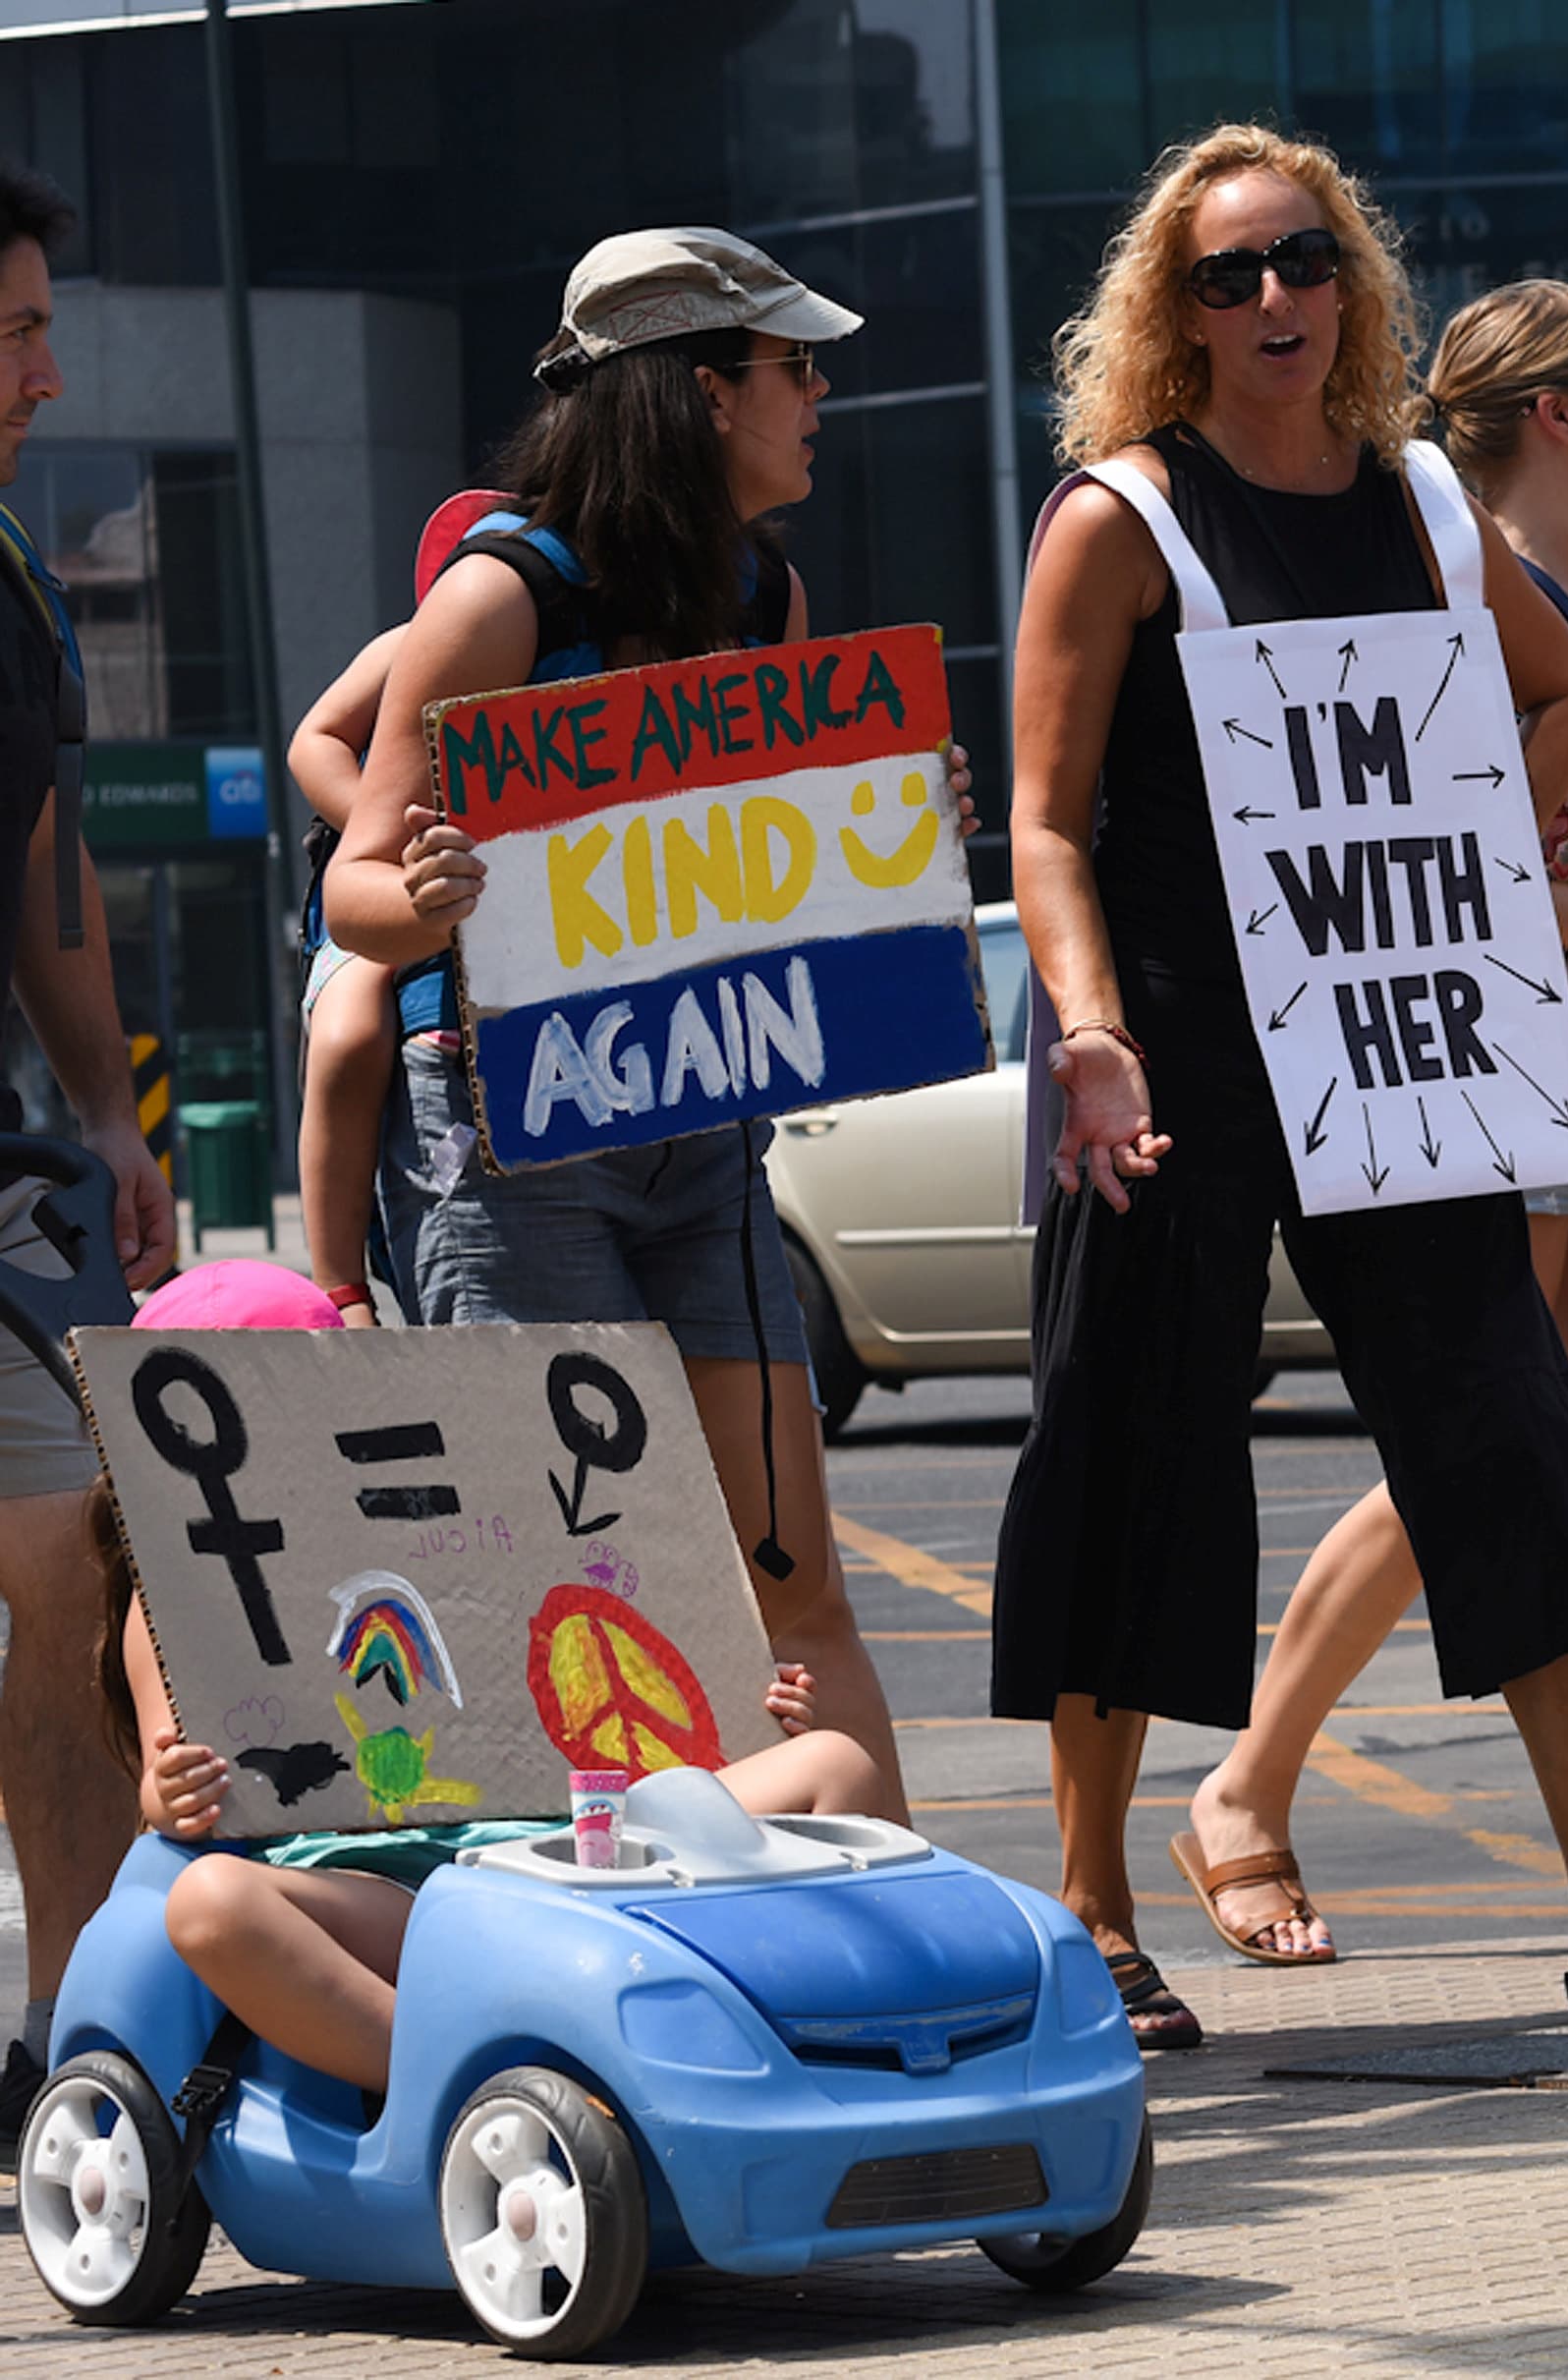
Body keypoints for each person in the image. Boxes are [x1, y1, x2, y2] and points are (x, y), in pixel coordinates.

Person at [990, 128, 1568, 2049]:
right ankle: (1089, 1904)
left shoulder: (1425, 498)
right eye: (1225, 273)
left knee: (1497, 1414)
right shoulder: (1120, 514)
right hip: (1169, 1029)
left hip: (1394, 1006)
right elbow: (1044, 820)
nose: (1271, 298)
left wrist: (1482, 822)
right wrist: (1085, 1025)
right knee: (1138, 1432)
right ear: (1166, 313)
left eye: (1302, 260)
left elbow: (1558, 685)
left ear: (1355, 282)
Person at [1169, 278, 1568, 1967]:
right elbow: (1424, 872)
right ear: (1552, 408)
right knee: (1480, 1444)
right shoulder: (1457, 573)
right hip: (1514, 1058)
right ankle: (1244, 1786)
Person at [321, 228, 916, 1825]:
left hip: (702, 1131)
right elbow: (357, 895)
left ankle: (880, 1945)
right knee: (581, 1592)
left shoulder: (762, 590)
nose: (821, 393)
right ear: (706, 392)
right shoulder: (500, 601)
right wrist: (430, 889)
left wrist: (883, 835)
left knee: (794, 1582)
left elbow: (761, 886)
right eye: (796, 367)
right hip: (515, 1139)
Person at [104, 1259, 882, 2096]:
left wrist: (759, 1711)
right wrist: (173, 1792)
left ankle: (824, 2029)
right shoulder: (167, 1605)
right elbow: (167, 1786)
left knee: (835, 1762)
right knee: (210, 1903)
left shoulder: (463, 1507)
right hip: (386, 1891)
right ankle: (462, 2084)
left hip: (576, 1845)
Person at [0, 157, 179, 2145]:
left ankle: (69, 2055)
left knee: (72, 1562)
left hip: (4, 1179)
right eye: (21, 329)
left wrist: (114, 1116)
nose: (50, 370)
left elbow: (49, 887)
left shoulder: (20, 583)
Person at [286, 627, 404, 1324]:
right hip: (384, 894)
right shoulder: (430, 633)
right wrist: (379, 829)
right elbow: (315, 739)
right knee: (353, 1028)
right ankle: (340, 1282)